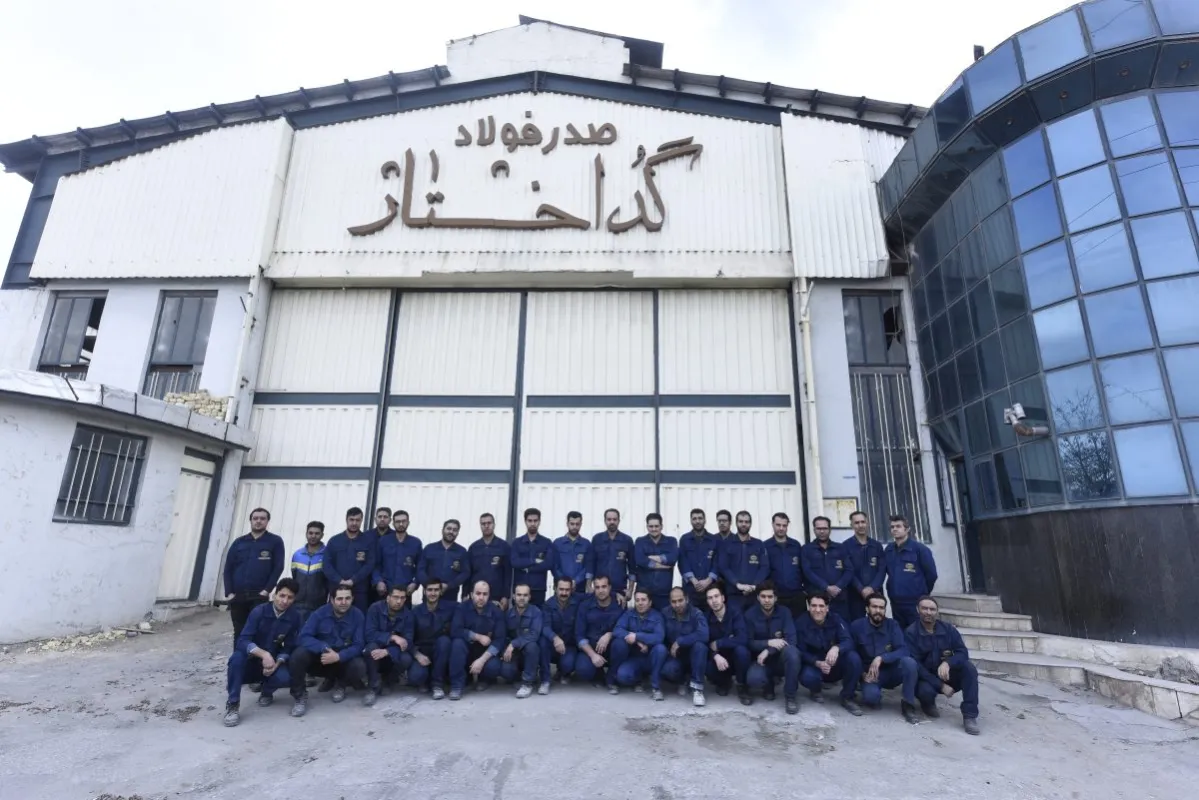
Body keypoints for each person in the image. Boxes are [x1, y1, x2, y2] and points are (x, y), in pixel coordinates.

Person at [223, 578, 302, 727]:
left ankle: (267, 691)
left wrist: (276, 664)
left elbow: (289, 646)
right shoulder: (259, 611)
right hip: (251, 658)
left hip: (272, 660)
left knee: (285, 677)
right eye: (282, 595)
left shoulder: (294, 617)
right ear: (274, 594)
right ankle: (233, 704)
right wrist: (264, 654)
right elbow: (243, 640)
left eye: (290, 597)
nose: (285, 601)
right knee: (236, 660)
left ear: (294, 599)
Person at [288, 586, 368, 717]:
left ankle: (341, 685)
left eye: (347, 598)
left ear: (352, 599)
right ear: (332, 600)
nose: (344, 602)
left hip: (342, 660)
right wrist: (322, 647)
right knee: (298, 655)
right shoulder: (319, 613)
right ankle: (299, 696)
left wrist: (339, 656)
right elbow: (304, 637)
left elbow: (359, 645)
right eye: (340, 599)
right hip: (322, 659)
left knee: (359, 666)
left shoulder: (358, 615)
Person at [906, 596, 980, 735]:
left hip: (946, 674)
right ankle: (927, 704)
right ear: (917, 610)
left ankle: (970, 716)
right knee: (925, 692)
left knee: (969, 669)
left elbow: (962, 652)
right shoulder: (911, 633)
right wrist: (940, 686)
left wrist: (948, 663)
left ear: (937, 612)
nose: (928, 612)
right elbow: (917, 666)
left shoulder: (948, 629)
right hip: (926, 678)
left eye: (932, 609)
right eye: (924, 608)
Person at [850, 594, 919, 724]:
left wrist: (882, 658)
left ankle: (908, 705)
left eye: (881, 608)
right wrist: (862, 674)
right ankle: (870, 692)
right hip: (870, 674)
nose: (878, 611)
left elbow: (903, 649)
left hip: (892, 670)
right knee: (871, 699)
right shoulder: (857, 626)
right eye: (874, 607)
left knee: (909, 663)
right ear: (867, 608)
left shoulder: (893, 625)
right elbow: (851, 654)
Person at [223, 507, 286, 640]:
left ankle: (254, 654)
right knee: (239, 632)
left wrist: (267, 590)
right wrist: (229, 593)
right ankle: (238, 654)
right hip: (238, 596)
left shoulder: (275, 541)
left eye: (262, 518)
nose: (258, 521)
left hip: (258, 596)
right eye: (255, 518)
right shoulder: (239, 542)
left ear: (267, 521)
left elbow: (278, 567)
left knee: (257, 631)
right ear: (250, 521)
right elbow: (228, 568)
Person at [795, 593, 862, 716]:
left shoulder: (836, 619)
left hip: (834, 664)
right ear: (809, 607)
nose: (817, 610)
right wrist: (816, 662)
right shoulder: (801, 623)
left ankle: (847, 697)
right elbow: (800, 651)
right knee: (808, 677)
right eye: (814, 606)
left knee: (853, 658)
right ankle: (815, 690)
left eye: (821, 606)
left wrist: (837, 648)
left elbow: (848, 640)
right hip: (814, 666)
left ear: (827, 608)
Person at [744, 582, 800, 714]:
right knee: (754, 679)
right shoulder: (750, 615)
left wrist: (769, 650)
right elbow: (748, 642)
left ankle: (790, 697)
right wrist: (768, 642)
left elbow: (792, 640)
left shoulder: (785, 612)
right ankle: (768, 685)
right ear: (758, 598)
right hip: (760, 661)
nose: (767, 600)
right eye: (763, 596)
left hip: (780, 659)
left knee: (793, 653)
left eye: (770, 597)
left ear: (776, 598)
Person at [449, 580, 505, 700]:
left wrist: (482, 660)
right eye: (478, 593)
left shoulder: (496, 612)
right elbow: (455, 630)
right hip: (466, 650)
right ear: (471, 594)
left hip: (484, 652)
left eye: (485, 594)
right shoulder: (461, 608)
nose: (481, 597)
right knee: (457, 644)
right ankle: (457, 686)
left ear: (489, 596)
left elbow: (500, 640)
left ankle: (485, 680)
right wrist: (477, 636)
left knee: (494, 667)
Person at [609, 588, 667, 700]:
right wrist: (637, 641)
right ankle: (638, 680)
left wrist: (637, 636)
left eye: (643, 600)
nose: (640, 603)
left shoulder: (657, 616)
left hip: (651, 657)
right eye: (637, 600)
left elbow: (659, 637)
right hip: (634, 657)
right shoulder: (629, 614)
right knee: (623, 676)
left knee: (661, 649)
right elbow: (617, 630)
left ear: (650, 602)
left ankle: (656, 687)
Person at [363, 585, 415, 706]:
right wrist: (392, 637)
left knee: (406, 658)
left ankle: (389, 681)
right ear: (388, 597)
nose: (399, 601)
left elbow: (408, 642)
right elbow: (369, 634)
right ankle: (372, 687)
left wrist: (388, 652)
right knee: (371, 649)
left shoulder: (408, 615)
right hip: (376, 649)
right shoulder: (375, 608)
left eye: (402, 598)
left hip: (393, 653)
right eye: (395, 597)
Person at [884, 515, 938, 630]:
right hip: (896, 602)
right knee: (900, 633)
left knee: (917, 632)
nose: (894, 529)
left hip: (915, 602)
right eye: (892, 527)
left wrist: (922, 593)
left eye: (898, 526)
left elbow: (932, 575)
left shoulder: (920, 549)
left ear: (907, 529)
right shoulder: (889, 550)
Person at [322, 507, 377, 613]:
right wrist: (339, 580)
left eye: (357, 520)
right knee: (334, 618)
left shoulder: (368, 541)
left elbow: (370, 564)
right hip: (337, 590)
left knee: (358, 618)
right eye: (351, 519)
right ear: (346, 520)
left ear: (361, 521)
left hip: (359, 591)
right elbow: (326, 565)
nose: (354, 523)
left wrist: (353, 580)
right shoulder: (335, 541)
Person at [660, 587, 709, 707]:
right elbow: (659, 634)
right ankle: (683, 680)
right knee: (668, 670)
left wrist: (680, 641)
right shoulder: (665, 613)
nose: (677, 605)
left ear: (686, 599)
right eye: (674, 601)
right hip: (675, 656)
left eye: (680, 600)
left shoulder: (696, 613)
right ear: (670, 602)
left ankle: (697, 689)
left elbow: (704, 635)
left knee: (700, 646)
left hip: (693, 655)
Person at [704, 584, 751, 704]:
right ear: (707, 601)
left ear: (723, 598)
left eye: (716, 596)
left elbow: (743, 638)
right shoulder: (705, 618)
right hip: (719, 658)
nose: (714, 601)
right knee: (707, 665)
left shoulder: (735, 613)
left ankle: (742, 686)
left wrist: (719, 643)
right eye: (710, 598)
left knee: (742, 651)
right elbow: (704, 642)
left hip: (735, 656)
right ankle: (723, 682)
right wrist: (715, 655)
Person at [574, 575, 624, 687]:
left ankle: (611, 675)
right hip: (591, 647)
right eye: (597, 587)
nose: (601, 590)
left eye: (604, 586)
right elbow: (579, 635)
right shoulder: (585, 606)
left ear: (610, 587)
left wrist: (610, 634)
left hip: (612, 648)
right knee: (583, 670)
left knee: (621, 644)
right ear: (594, 589)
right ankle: (598, 674)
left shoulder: (620, 603)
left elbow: (625, 629)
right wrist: (592, 655)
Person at [801, 516, 852, 621]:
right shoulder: (806, 549)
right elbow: (807, 571)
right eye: (819, 529)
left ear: (829, 529)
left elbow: (849, 570)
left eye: (825, 528)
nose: (822, 531)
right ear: (814, 530)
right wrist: (826, 587)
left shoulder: (840, 548)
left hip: (839, 597)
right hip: (817, 600)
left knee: (841, 625)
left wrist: (838, 587)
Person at [411, 579, 455, 698]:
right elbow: (407, 637)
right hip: (422, 652)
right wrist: (417, 654)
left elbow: (469, 607)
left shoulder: (451, 608)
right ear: (424, 592)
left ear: (441, 592)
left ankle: (437, 685)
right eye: (430, 590)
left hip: (440, 651)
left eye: (436, 590)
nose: (433, 593)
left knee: (445, 641)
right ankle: (424, 680)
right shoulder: (415, 612)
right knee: (416, 676)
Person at [719, 511, 769, 613]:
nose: (743, 524)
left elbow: (765, 567)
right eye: (741, 521)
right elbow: (723, 567)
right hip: (734, 595)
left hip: (754, 595)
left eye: (746, 522)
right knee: (736, 622)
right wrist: (737, 584)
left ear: (750, 524)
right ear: (736, 523)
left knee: (754, 622)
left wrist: (754, 585)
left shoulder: (758, 544)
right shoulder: (726, 544)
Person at [501, 583, 543, 698]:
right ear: (514, 596)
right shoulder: (508, 614)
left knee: (532, 646)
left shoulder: (536, 612)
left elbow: (534, 634)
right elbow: (504, 635)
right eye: (519, 595)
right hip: (515, 653)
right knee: (506, 671)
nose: (522, 598)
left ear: (529, 597)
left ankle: (528, 683)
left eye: (525, 595)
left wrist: (513, 644)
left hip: (529, 652)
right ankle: (517, 677)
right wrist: (505, 649)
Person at [541, 576, 582, 693]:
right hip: (553, 644)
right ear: (555, 588)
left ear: (571, 590)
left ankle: (564, 672)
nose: (564, 593)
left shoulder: (578, 600)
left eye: (567, 590)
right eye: (561, 589)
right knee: (542, 642)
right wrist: (555, 638)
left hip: (569, 645)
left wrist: (617, 595)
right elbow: (545, 627)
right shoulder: (548, 605)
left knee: (568, 664)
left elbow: (597, 595)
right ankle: (545, 680)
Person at [844, 511, 885, 623]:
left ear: (868, 523)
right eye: (857, 523)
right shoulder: (845, 546)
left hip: (876, 594)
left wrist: (872, 588)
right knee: (857, 624)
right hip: (855, 595)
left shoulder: (877, 546)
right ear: (851, 525)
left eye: (863, 522)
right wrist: (861, 589)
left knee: (878, 623)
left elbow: (882, 570)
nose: (860, 525)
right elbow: (848, 571)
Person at [373, 509, 422, 604]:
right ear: (393, 523)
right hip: (385, 590)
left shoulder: (415, 543)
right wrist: (378, 581)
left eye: (403, 521)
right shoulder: (383, 541)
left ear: (408, 523)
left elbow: (420, 567)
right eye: (398, 521)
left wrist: (415, 583)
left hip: (405, 591)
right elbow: (376, 565)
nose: (401, 524)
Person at [634, 513, 678, 612]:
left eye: (656, 526)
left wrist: (649, 558)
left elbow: (673, 558)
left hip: (664, 593)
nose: (654, 529)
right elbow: (640, 560)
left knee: (663, 619)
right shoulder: (640, 541)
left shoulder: (671, 541)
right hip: (644, 593)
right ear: (647, 527)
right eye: (651, 526)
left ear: (661, 526)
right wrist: (664, 565)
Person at [591, 509, 635, 604]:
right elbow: (591, 564)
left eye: (615, 519)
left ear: (619, 521)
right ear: (605, 521)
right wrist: (589, 586)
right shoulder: (597, 539)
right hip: (600, 589)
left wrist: (630, 590)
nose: (612, 522)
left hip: (620, 589)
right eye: (609, 519)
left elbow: (632, 568)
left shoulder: (627, 540)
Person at [418, 519, 471, 601]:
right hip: (429, 596)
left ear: (458, 533)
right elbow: (420, 570)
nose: (451, 532)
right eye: (449, 528)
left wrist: (449, 585)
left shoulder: (462, 552)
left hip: (450, 596)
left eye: (455, 530)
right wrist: (429, 585)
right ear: (442, 530)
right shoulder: (429, 548)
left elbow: (465, 573)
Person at [510, 508, 553, 606]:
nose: (533, 524)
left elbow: (548, 564)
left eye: (535, 521)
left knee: (538, 614)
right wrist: (534, 560)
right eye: (530, 521)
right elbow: (514, 562)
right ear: (525, 521)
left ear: (539, 521)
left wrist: (525, 567)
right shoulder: (517, 543)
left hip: (538, 589)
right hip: (520, 590)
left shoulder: (546, 543)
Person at [765, 512, 805, 618]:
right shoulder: (765, 546)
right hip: (776, 596)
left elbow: (803, 568)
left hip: (796, 595)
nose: (781, 528)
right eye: (778, 525)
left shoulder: (796, 545)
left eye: (784, 525)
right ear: (773, 524)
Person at [467, 512, 510, 608]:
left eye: (489, 523)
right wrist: (465, 593)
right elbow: (468, 572)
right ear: (480, 526)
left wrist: (506, 596)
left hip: (497, 596)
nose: (486, 526)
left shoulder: (504, 546)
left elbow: (508, 573)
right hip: (477, 596)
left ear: (494, 524)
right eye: (483, 524)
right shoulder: (473, 547)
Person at [678, 508, 719, 608]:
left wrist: (708, 580)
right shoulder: (684, 539)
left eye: (700, 518)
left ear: (705, 520)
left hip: (710, 587)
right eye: (694, 518)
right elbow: (682, 561)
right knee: (691, 614)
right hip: (690, 587)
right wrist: (693, 580)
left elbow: (717, 562)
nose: (697, 521)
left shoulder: (714, 540)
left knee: (711, 614)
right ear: (691, 521)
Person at [290, 521, 327, 623]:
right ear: (306, 534)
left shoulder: (327, 554)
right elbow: (294, 576)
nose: (313, 536)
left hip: (318, 605)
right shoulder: (297, 555)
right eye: (310, 533)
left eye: (317, 533)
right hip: (297, 604)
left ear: (322, 535)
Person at [552, 511, 592, 596]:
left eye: (577, 524)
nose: (574, 527)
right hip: (561, 589)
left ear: (581, 524)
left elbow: (588, 566)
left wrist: (576, 581)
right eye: (572, 524)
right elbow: (554, 566)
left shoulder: (586, 544)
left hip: (579, 588)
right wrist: (565, 582)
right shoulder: (557, 543)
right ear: (567, 524)